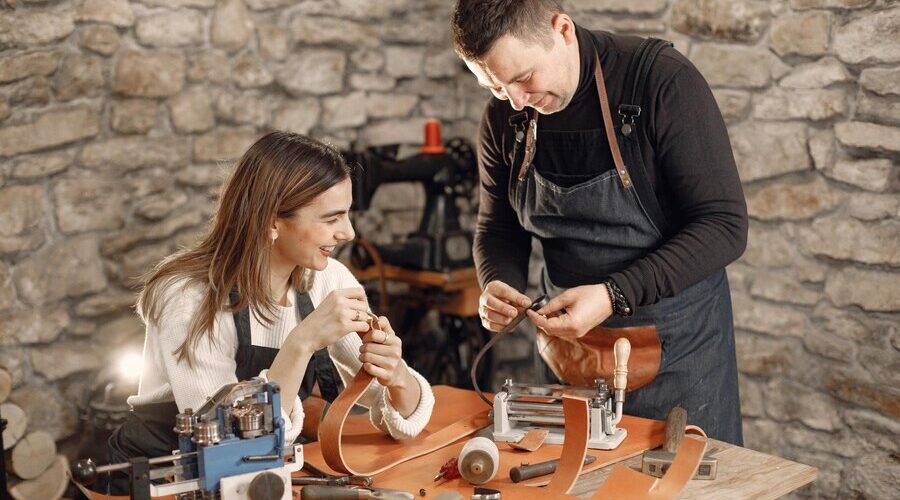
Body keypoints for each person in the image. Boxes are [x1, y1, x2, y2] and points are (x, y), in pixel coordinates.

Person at [452, 0, 747, 444]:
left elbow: (724, 225)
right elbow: (498, 228)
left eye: (523, 78)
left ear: (563, 30)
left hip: (677, 352)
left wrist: (614, 295)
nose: (515, 100)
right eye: (494, 87)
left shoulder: (661, 83)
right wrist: (497, 281)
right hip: (569, 353)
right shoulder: (504, 120)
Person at [107, 132, 434, 483]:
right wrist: (301, 342)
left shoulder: (327, 279)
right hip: (163, 479)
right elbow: (224, 446)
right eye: (331, 218)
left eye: (347, 215)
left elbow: (397, 414)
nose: (349, 233)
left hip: (257, 474)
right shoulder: (188, 297)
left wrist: (395, 375)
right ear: (272, 220)